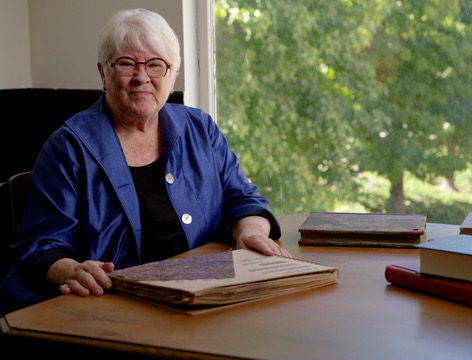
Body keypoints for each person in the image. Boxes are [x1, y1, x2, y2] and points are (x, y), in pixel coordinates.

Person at [0, 8, 289, 316]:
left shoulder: (201, 129)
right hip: (109, 307)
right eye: (126, 64)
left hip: (202, 297)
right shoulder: (67, 147)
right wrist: (71, 270)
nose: (141, 77)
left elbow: (242, 199)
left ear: (173, 73)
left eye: (155, 65)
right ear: (103, 72)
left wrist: (252, 232)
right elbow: (40, 246)